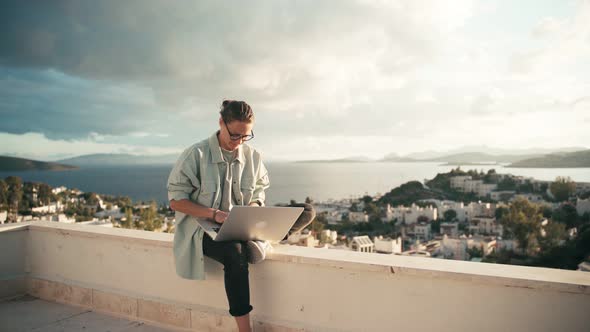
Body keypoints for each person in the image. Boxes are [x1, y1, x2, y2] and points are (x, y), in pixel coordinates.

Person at [166, 100, 315, 332]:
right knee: (235, 253)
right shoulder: (194, 154)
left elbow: (258, 192)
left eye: (246, 136)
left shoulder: (253, 156)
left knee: (307, 211)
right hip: (205, 230)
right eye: (235, 135)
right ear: (220, 123)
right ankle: (245, 328)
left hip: (242, 223)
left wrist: (254, 207)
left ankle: (257, 239)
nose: (239, 142)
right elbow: (176, 201)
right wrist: (213, 215)